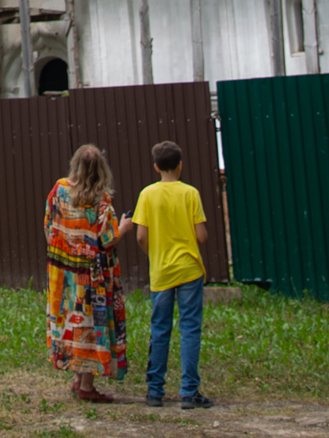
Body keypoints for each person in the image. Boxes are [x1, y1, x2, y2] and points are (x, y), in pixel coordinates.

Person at [44, 143, 129, 403]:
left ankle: (78, 378)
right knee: (90, 325)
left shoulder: (58, 190)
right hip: (92, 277)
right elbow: (108, 240)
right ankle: (86, 387)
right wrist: (123, 226)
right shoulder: (100, 201)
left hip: (63, 273)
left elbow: (49, 226)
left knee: (70, 320)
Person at [131, 139, 211, 408]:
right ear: (180, 165)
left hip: (161, 270)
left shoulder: (147, 195)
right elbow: (201, 236)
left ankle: (155, 391)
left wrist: (153, 254)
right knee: (190, 328)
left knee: (160, 328)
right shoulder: (191, 194)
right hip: (189, 269)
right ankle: (189, 392)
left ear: (155, 167)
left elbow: (141, 235)